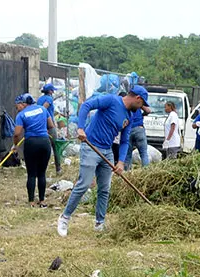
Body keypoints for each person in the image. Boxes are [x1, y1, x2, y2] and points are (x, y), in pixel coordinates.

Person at [57, 85, 149, 237]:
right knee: (84, 184)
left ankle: (100, 223)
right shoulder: (111, 100)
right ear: (137, 98)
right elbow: (87, 105)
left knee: (104, 189)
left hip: (107, 151)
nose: (141, 108)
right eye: (141, 104)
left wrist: (120, 162)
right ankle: (64, 218)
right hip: (91, 147)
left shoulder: (130, 116)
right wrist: (80, 128)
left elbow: (125, 140)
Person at [14, 93, 55, 206]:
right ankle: (42, 201)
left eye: (17, 106)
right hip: (44, 142)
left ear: (22, 104)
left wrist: (15, 145)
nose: (16, 108)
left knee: (31, 174)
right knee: (42, 173)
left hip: (31, 143)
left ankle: (31, 201)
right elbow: (51, 125)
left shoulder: (21, 115)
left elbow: (17, 133)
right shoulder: (42, 109)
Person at [38, 83, 63, 174]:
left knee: (42, 148)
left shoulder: (40, 98)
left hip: (41, 126)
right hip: (49, 125)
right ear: (49, 91)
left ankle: (40, 168)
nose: (53, 92)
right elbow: (43, 109)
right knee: (55, 146)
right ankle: (58, 169)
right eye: (52, 90)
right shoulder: (49, 98)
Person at [126, 103, 152, 170]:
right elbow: (148, 111)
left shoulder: (125, 104)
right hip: (139, 129)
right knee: (143, 153)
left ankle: (127, 172)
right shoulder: (138, 103)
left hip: (128, 130)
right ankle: (146, 171)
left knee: (128, 154)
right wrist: (142, 114)